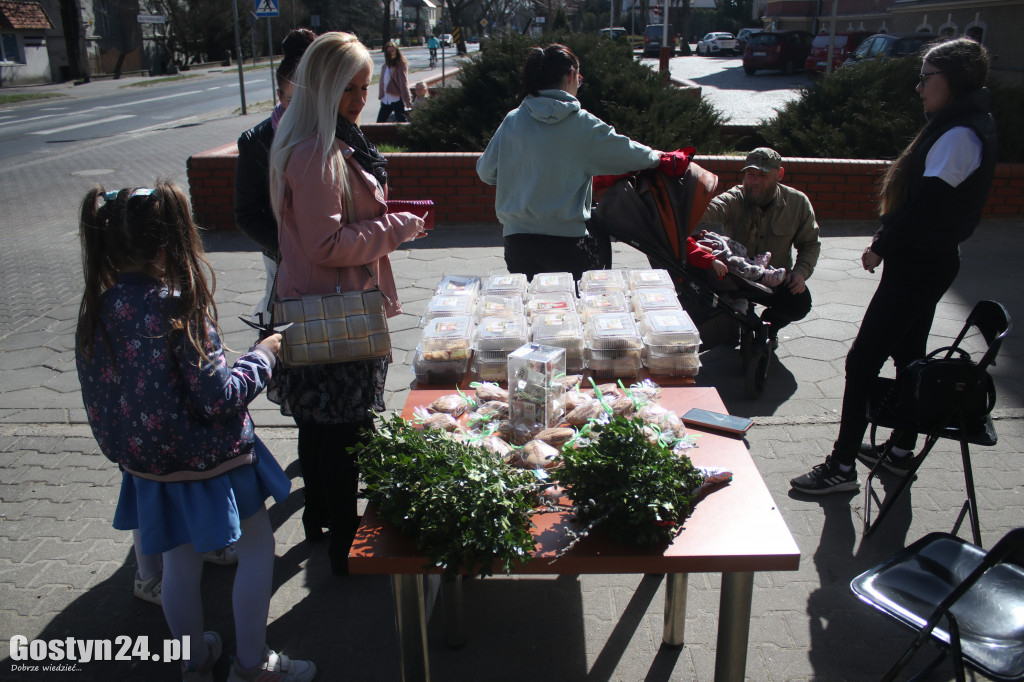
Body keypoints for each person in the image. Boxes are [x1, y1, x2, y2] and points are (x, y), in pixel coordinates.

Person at [74, 182, 316, 682]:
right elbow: (220, 396)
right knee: (257, 549)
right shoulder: (180, 307)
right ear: (170, 242)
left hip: (149, 466)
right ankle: (253, 664)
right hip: (216, 460)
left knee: (178, 566)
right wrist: (264, 355)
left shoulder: (97, 310)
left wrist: (129, 454)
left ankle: (195, 663)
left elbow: (98, 398)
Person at [790, 37, 997, 495]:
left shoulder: (961, 134)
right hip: (926, 261)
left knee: (862, 359)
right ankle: (900, 453)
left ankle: (841, 467)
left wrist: (882, 244)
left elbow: (928, 207)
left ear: (954, 80)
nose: (919, 87)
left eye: (927, 78)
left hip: (920, 263)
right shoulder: (960, 125)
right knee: (909, 355)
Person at [268, 32, 426, 574]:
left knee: (321, 434)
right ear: (324, 87)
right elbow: (326, 245)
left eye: (365, 87)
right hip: (333, 315)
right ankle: (345, 551)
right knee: (343, 438)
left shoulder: (322, 139)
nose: (362, 99)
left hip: (317, 308)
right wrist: (397, 229)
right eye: (351, 89)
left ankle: (322, 527)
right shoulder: (317, 151)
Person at [476, 43, 668, 281]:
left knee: (530, 310)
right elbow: (628, 153)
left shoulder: (513, 120)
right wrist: (657, 156)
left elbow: (485, 172)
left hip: (518, 241)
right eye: (579, 74)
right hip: (566, 242)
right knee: (566, 312)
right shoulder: (582, 124)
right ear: (570, 75)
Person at [696, 147, 821, 344]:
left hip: (774, 279)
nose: (754, 181)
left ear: (779, 174)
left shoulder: (797, 203)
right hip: (736, 278)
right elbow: (710, 209)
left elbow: (810, 244)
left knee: (799, 304)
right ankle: (741, 321)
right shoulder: (735, 198)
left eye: (762, 175)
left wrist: (800, 272)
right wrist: (687, 205)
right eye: (750, 174)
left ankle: (771, 324)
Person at [235, 28, 316, 326]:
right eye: (291, 100)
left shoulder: (330, 130)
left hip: (330, 254)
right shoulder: (256, 142)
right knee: (281, 328)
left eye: (307, 100)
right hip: (281, 256)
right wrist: (287, 246)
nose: (299, 111)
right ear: (279, 94)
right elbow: (246, 214)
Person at [377, 40, 411, 123]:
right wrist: (381, 95)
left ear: (397, 51)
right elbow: (382, 83)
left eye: (393, 51)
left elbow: (404, 82)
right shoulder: (385, 66)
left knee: (402, 122)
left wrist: (407, 100)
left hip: (396, 98)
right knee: (379, 123)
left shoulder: (401, 65)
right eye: (388, 51)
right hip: (386, 100)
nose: (391, 53)